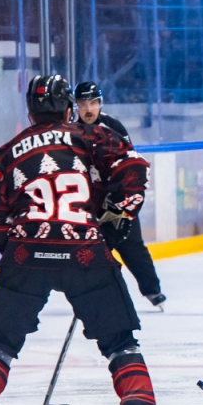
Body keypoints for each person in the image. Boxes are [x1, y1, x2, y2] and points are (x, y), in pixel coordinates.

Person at [0, 75, 180, 405]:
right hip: (86, 255)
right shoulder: (90, 137)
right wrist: (115, 218)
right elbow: (134, 170)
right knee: (120, 345)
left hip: (26, 254)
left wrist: (26, 252)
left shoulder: (5, 154)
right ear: (67, 108)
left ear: (29, 111)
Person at [74, 81, 167, 311]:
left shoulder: (113, 126)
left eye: (93, 103)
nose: (88, 109)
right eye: (83, 103)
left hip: (115, 201)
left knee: (132, 244)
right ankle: (88, 294)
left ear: (100, 104)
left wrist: (119, 201)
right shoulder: (70, 131)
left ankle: (152, 290)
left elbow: (127, 167)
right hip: (87, 204)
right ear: (76, 105)